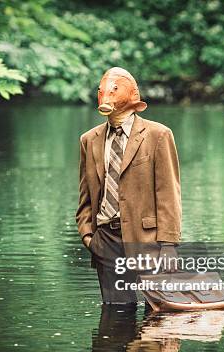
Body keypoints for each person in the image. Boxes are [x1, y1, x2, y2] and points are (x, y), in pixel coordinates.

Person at [76, 67, 182, 304]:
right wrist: (89, 238)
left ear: (132, 95)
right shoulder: (89, 140)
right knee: (116, 316)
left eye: (114, 89)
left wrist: (168, 245)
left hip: (148, 241)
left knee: (158, 317)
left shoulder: (158, 135)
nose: (106, 95)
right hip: (105, 241)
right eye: (102, 90)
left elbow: (168, 194)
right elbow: (86, 196)